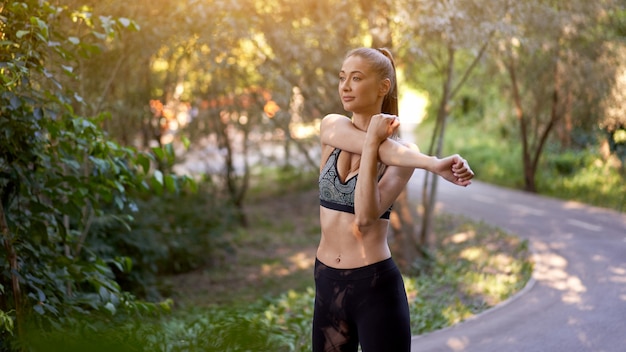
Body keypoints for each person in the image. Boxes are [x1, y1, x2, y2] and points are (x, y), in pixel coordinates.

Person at [313, 47, 474, 352]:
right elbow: (376, 145)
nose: (345, 86)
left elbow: (364, 218)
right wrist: (432, 162)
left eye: (356, 78)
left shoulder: (404, 155)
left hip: (374, 287)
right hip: (326, 282)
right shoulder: (331, 126)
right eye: (342, 78)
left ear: (383, 87)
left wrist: (377, 144)